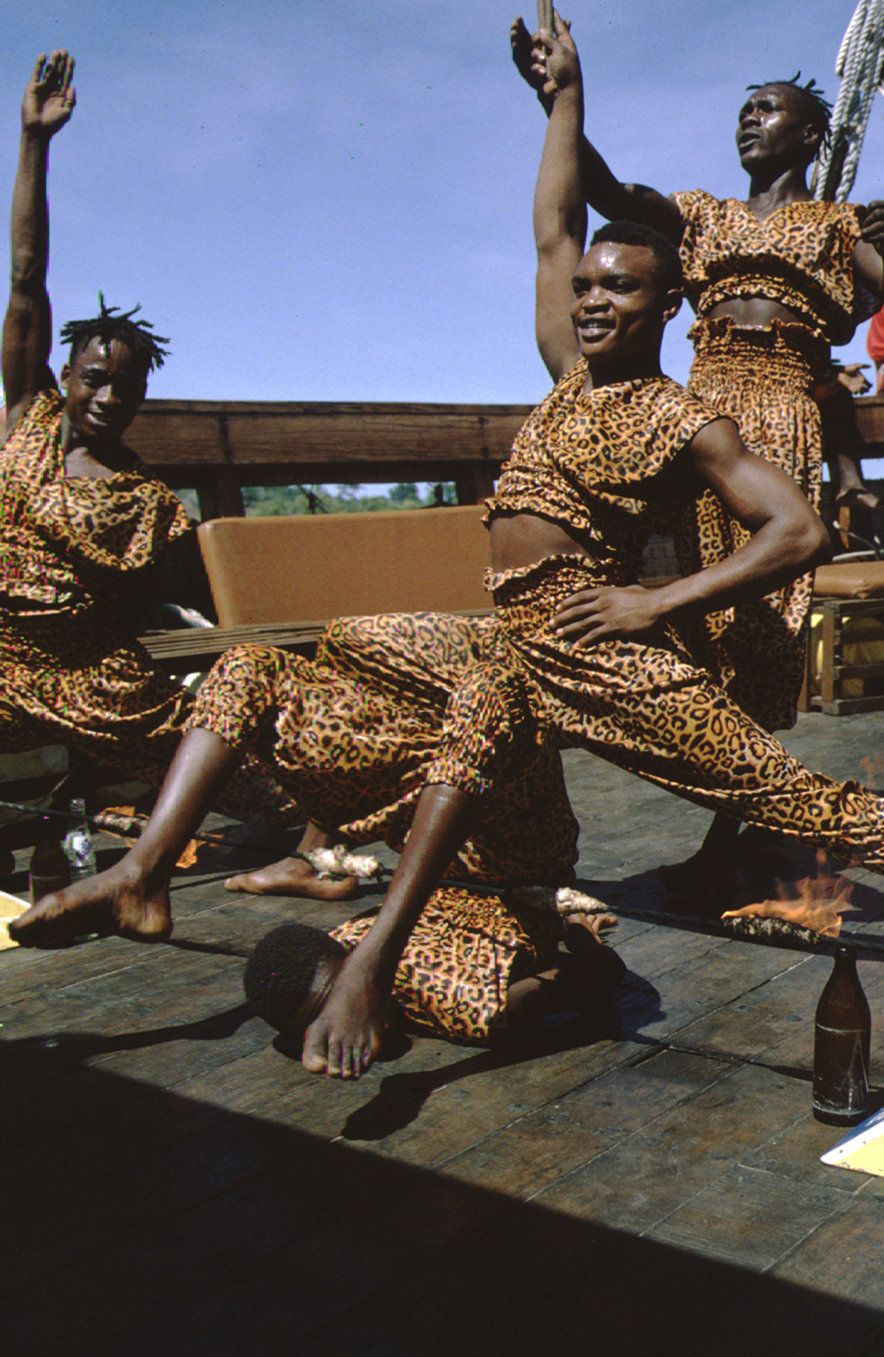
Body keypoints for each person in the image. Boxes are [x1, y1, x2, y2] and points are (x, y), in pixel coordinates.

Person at [12, 36, 884, 1090]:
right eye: (591, 286)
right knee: (278, 664)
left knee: (798, 800)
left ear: (668, 310)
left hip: (586, 642)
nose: (594, 298)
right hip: (504, 635)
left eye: (621, 289)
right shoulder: (566, 376)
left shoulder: (680, 415)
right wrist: (564, 98)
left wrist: (658, 596)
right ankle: (140, 873)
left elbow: (797, 532)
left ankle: (372, 960)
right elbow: (552, 225)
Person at [511, 11, 884, 879]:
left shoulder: (838, 226)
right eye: (743, 108)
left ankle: (736, 839)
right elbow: (603, 193)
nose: (748, 118)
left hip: (785, 407)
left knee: (760, 627)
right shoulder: (698, 216)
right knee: (699, 622)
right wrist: (562, 97)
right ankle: (738, 818)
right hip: (703, 403)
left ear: (812, 130)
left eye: (769, 108)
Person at [0, 52, 295, 860]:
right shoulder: (26, 418)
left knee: (271, 798)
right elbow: (27, 275)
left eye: (124, 389)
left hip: (97, 683)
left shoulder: (148, 499)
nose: (106, 398)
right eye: (93, 379)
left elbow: (196, 596)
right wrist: (35, 144)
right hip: (0, 662)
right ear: (64, 375)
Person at [244, 894, 624, 1056]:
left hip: (530, 898)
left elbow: (605, 972)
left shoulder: (453, 1001)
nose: (339, 1026)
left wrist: (579, 932)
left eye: (336, 1006)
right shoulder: (342, 940)